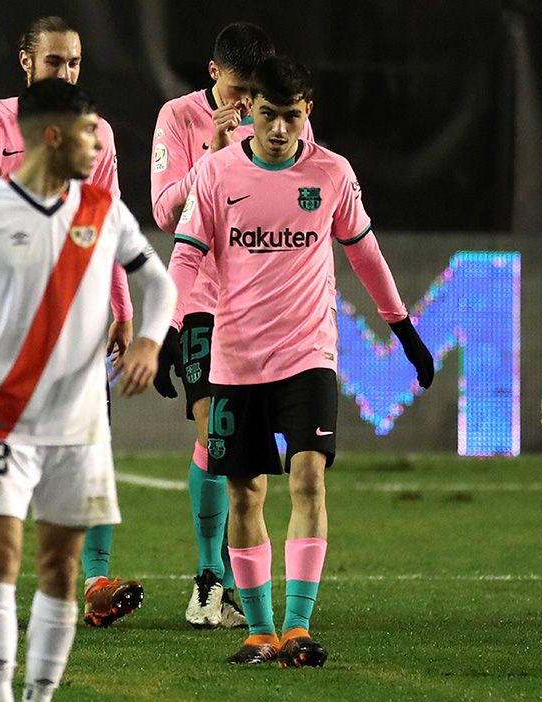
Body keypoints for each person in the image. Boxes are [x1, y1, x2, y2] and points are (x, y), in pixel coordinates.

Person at [0, 79, 176, 702]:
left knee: (60, 568)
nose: (99, 145)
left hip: (78, 423)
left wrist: (150, 341)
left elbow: (161, 282)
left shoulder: (102, 210)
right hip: (3, 415)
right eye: (87, 135)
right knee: (0, 556)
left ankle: (40, 696)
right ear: (53, 136)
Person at [173, 56, 434, 666]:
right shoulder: (215, 174)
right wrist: (170, 329)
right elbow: (185, 257)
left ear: (306, 112)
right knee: (245, 492)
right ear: (249, 113)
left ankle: (297, 627)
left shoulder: (333, 174)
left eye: (291, 117)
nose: (280, 129)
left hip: (309, 353)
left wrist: (403, 327)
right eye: (268, 116)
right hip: (236, 359)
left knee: (309, 478)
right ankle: (259, 632)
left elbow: (365, 255)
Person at [0, 14, 143, 629]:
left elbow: (106, 219)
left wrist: (122, 305)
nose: (63, 73)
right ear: (25, 63)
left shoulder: (98, 133)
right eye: (53, 62)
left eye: (73, 63)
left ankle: (94, 581)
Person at [149, 21, 311, 630]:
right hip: (202, 303)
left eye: (257, 93)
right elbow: (166, 211)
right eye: (239, 90)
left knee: (246, 453)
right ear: (213, 75)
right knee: (215, 435)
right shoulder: (179, 119)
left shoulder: (284, 117)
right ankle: (209, 577)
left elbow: (304, 189)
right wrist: (214, 160)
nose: (249, 106)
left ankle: (235, 577)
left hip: (265, 307)